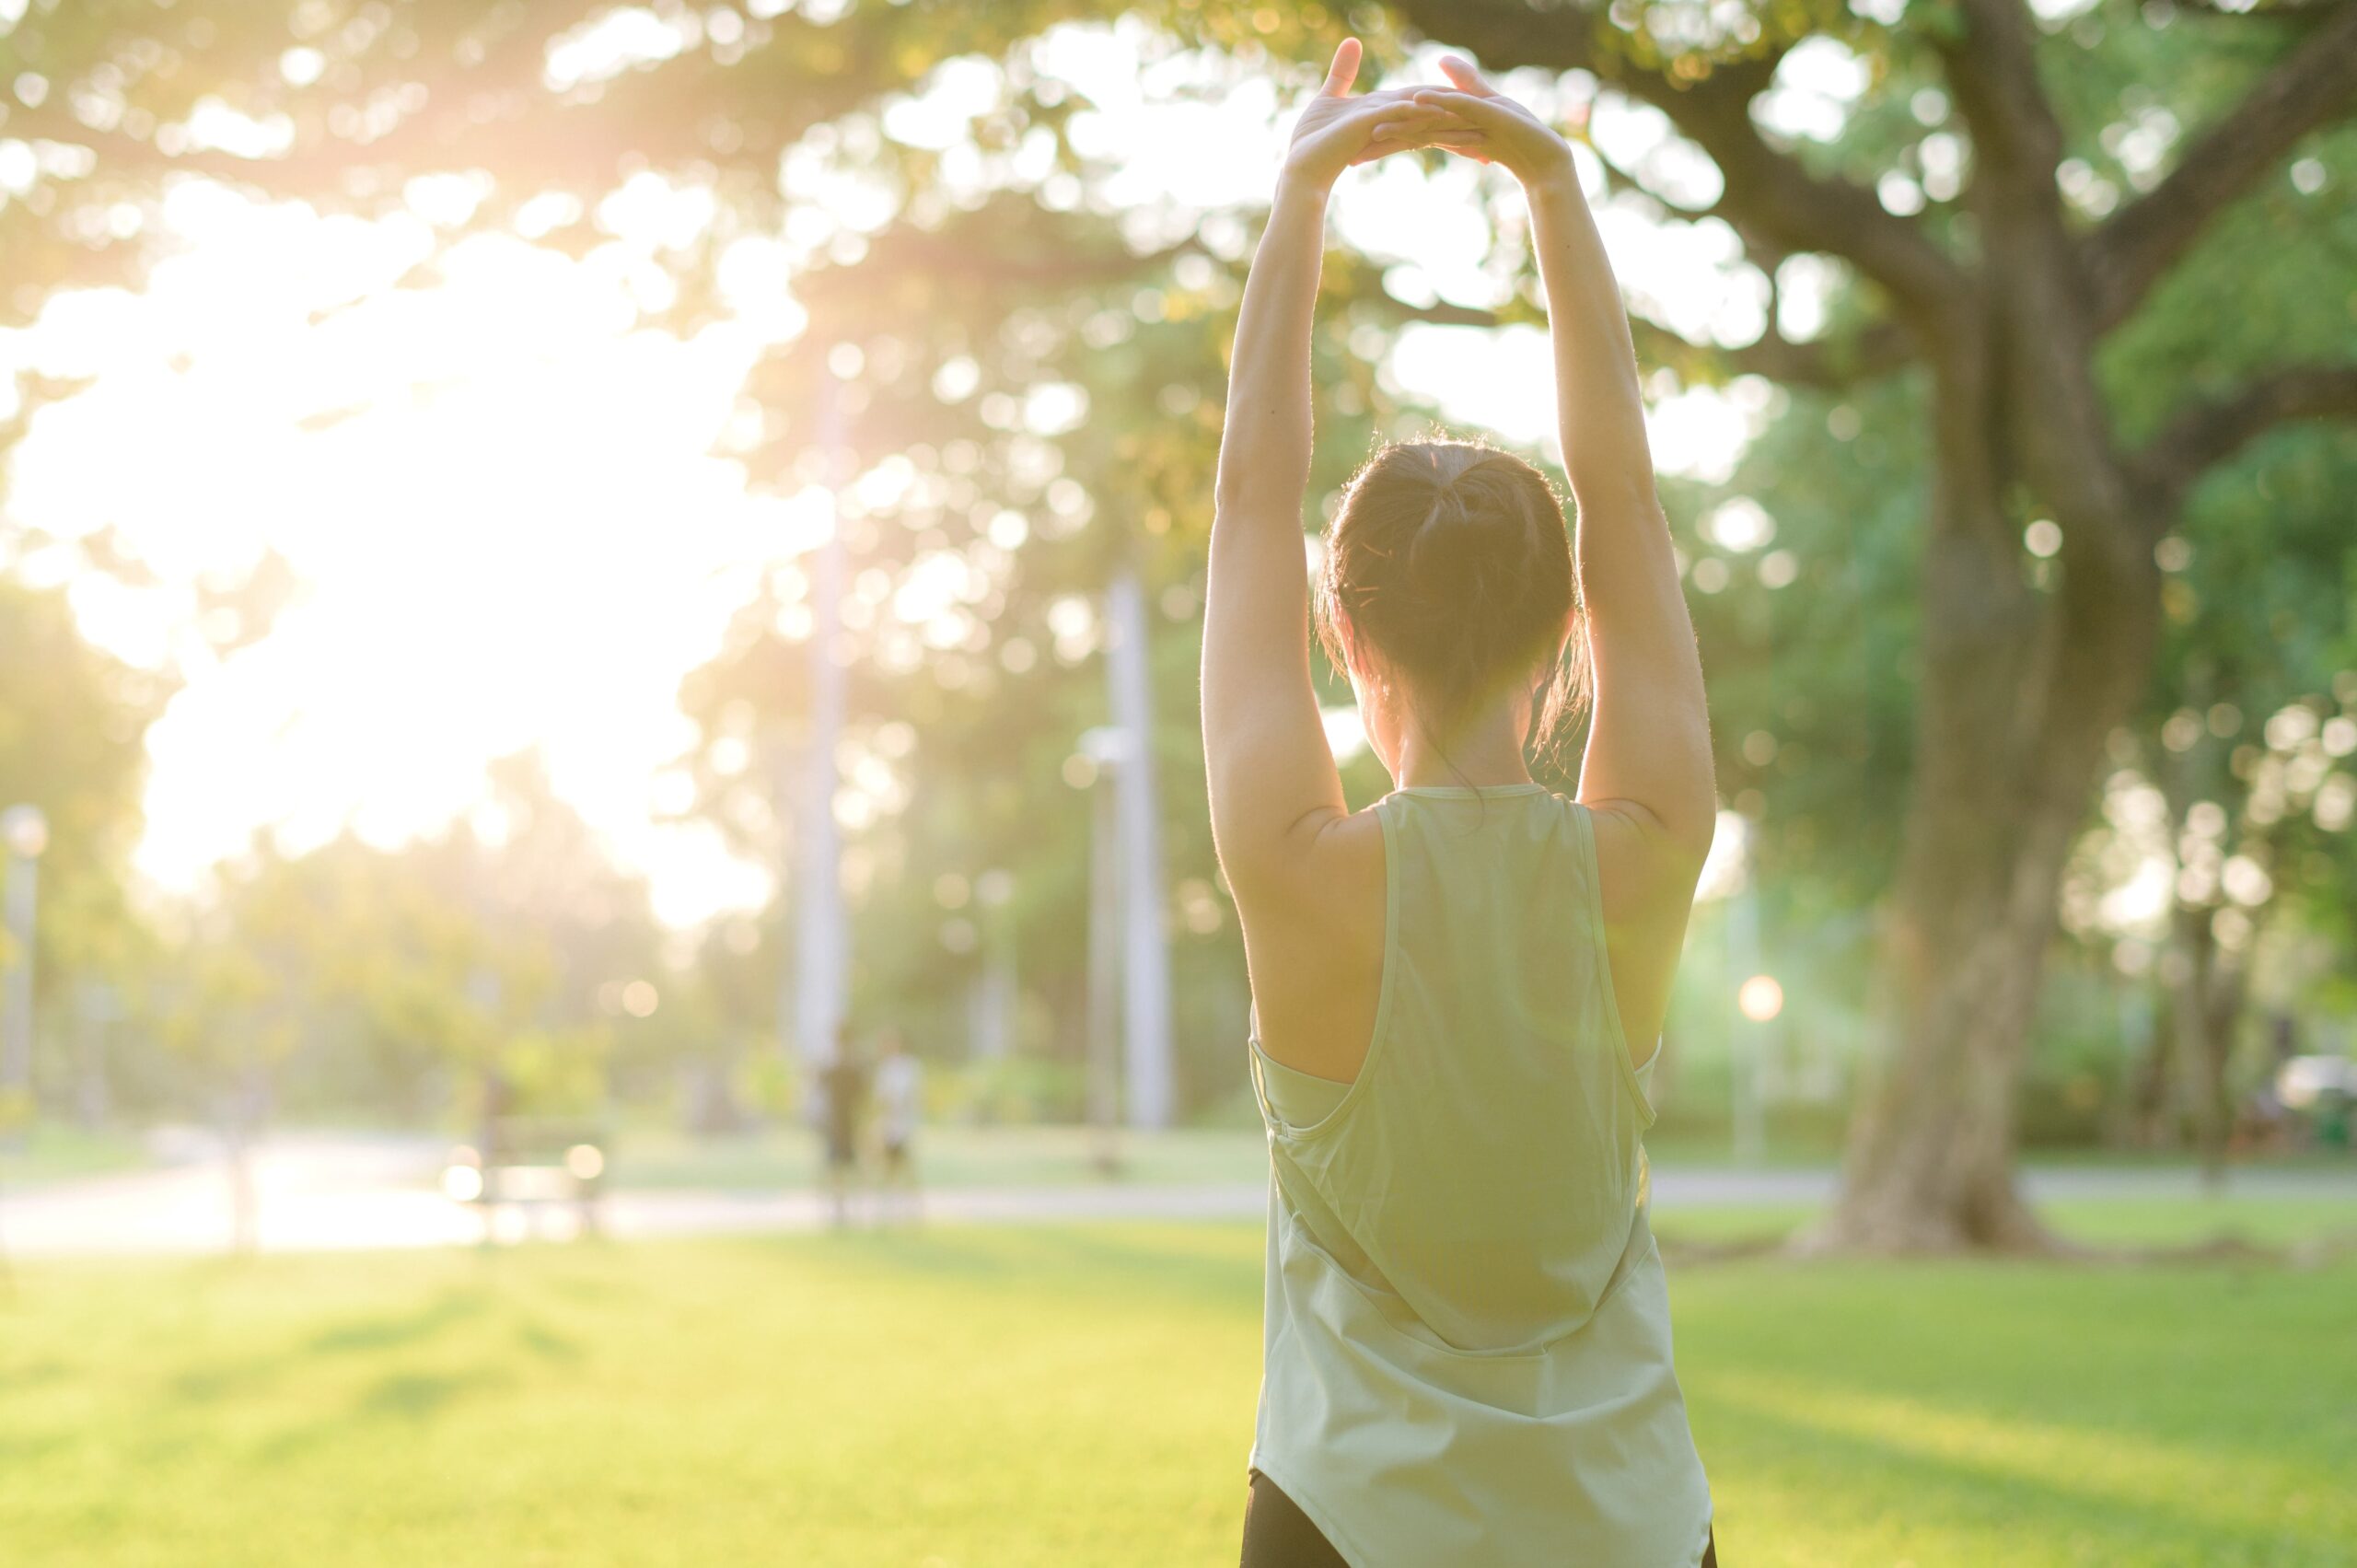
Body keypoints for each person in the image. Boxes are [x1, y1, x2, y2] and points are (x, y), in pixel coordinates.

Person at [1204, 42, 1718, 1567]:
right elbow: (1624, 499)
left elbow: (1247, 501)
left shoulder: (1303, 871)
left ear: (1343, 637)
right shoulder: (1641, 856)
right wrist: (1553, 185)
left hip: (1351, 1518)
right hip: (1628, 1520)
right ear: (1573, 625)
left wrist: (1303, 193)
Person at [818, 1021, 868, 1229]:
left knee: (842, 1169)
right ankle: (846, 1210)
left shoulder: (842, 1066)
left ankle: (847, 1210)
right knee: (843, 1169)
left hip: (842, 1123)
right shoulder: (848, 1066)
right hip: (843, 1122)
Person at [872, 1028, 923, 1221]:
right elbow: (881, 1099)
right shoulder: (885, 1069)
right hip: (888, 1127)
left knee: (908, 1170)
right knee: (887, 1171)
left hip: (904, 1127)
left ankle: (913, 1212)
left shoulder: (910, 1067)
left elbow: (910, 1097)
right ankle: (885, 1213)